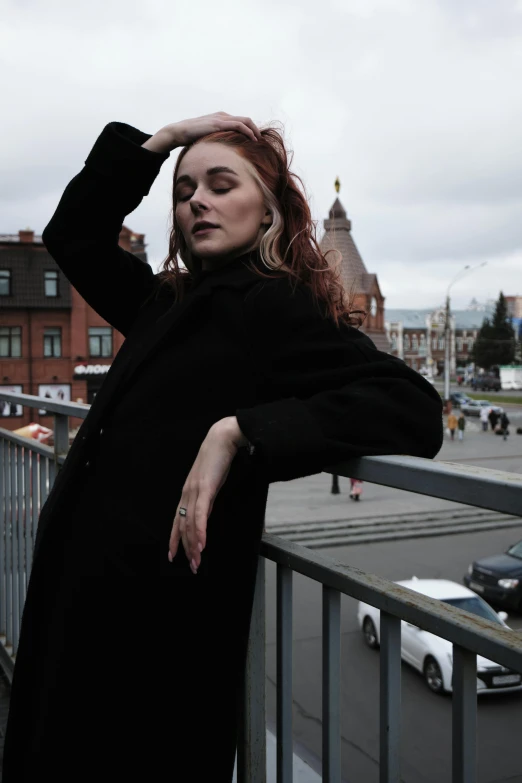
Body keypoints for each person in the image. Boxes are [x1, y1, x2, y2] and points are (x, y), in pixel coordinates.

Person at [2, 112, 443, 782]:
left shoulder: (276, 308)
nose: (196, 200)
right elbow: (74, 235)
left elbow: (410, 406)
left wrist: (240, 430)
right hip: (79, 608)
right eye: (184, 191)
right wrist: (160, 142)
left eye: (219, 184)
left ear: (268, 212)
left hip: (151, 641)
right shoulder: (167, 301)